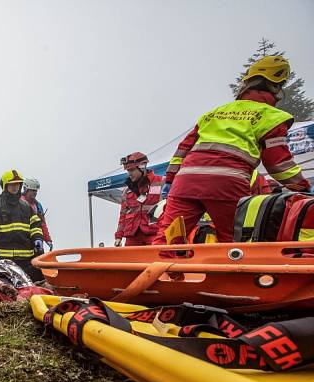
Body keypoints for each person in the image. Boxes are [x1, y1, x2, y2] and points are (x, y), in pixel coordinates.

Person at [154, 55, 309, 244]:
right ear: (276, 87)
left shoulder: (214, 113)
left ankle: (159, 274)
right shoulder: (271, 117)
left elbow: (182, 150)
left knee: (168, 241)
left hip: (185, 183)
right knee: (235, 244)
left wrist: (170, 181)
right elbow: (279, 164)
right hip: (227, 183)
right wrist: (303, 187)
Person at [0, 170, 45, 281]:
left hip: (27, 259)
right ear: (5, 186)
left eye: (17, 184)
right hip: (4, 260)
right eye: (11, 184)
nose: (15, 187)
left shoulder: (26, 206)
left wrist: (38, 238)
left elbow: (35, 224)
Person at [114, 152, 164, 246]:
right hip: (132, 237)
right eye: (128, 171)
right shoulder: (127, 191)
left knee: (156, 259)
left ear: (142, 167)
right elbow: (123, 216)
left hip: (155, 234)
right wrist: (118, 237)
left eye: (132, 170)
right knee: (130, 260)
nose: (129, 174)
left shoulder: (161, 183)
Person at [21, 177, 54, 251]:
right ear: (26, 190)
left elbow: (42, 224)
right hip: (22, 240)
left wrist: (48, 239)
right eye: (32, 190)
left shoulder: (38, 205)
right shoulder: (18, 202)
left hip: (37, 240)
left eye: (35, 191)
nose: (34, 193)